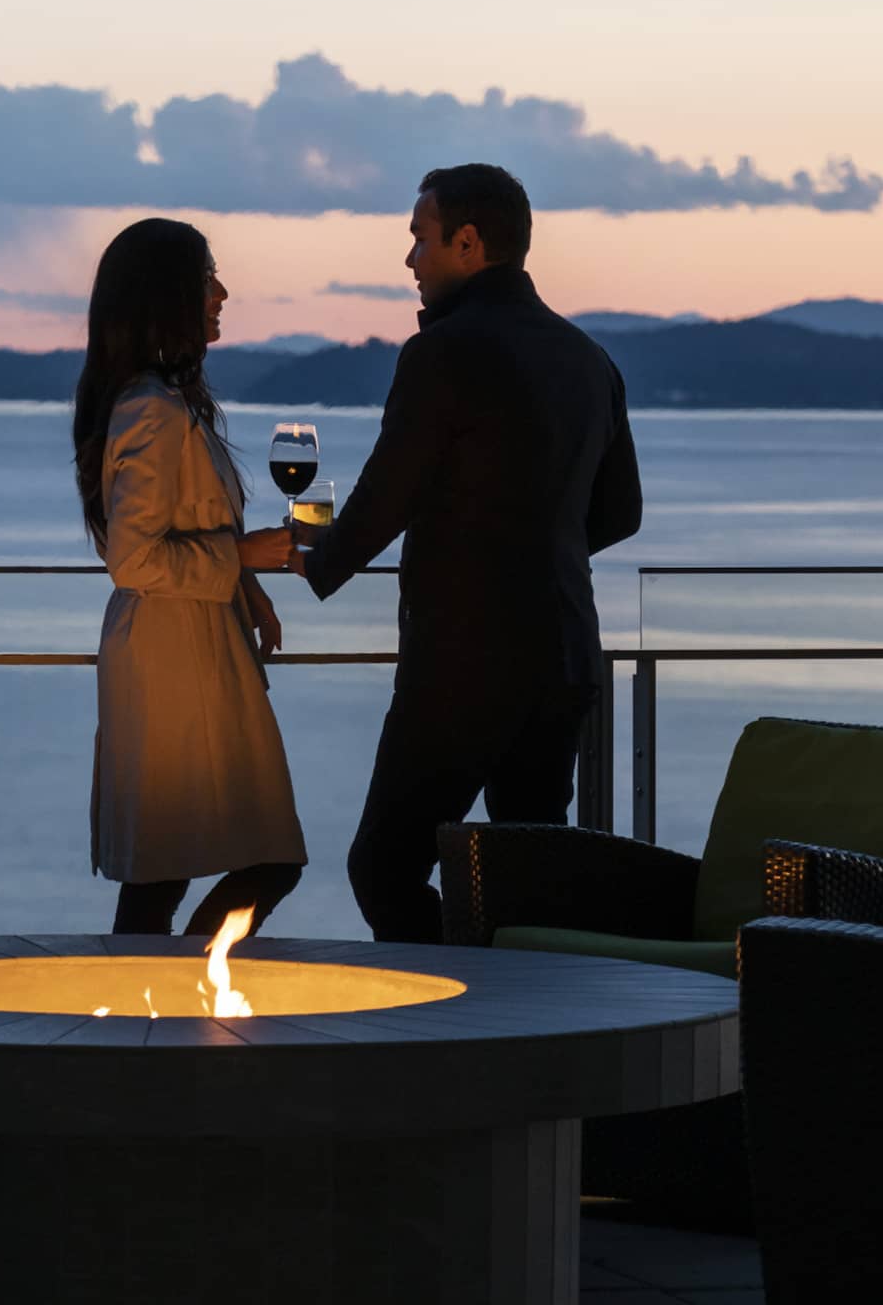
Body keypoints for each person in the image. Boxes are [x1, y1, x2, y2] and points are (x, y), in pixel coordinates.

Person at [293, 164, 642, 942]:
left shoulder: (443, 353)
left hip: (462, 662)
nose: (409, 261)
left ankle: (448, 1018)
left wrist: (314, 559)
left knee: (383, 866)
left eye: (420, 240)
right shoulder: (590, 359)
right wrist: (529, 550)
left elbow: (389, 495)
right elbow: (621, 513)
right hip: (563, 657)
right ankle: (524, 1033)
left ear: (469, 242)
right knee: (529, 878)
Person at [73, 218, 306, 937]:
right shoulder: (151, 410)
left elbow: (186, 526)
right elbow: (135, 557)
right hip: (175, 657)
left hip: (191, 644)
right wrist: (243, 559)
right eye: (207, 278)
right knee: (246, 859)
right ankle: (182, 997)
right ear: (164, 295)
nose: (222, 292)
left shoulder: (166, 403)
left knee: (167, 872)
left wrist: (248, 586)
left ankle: (152, 1012)